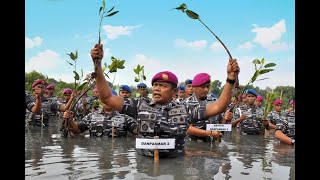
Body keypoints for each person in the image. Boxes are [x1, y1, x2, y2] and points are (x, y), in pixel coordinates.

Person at [90, 43, 240, 157]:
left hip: (175, 168)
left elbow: (219, 106)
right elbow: (107, 98)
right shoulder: (139, 105)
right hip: (144, 169)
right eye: (155, 85)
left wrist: (230, 79)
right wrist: (97, 65)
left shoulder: (185, 110)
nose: (156, 88)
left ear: (174, 91)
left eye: (162, 85)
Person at [63, 89, 138, 137]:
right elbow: (76, 130)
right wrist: (69, 120)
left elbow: (137, 131)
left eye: (110, 99)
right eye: (105, 98)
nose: (107, 101)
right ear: (101, 100)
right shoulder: (91, 117)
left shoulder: (125, 118)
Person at [184, 73, 233, 142]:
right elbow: (185, 128)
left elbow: (221, 124)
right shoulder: (186, 104)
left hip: (214, 144)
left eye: (208, 86)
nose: (206, 89)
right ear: (194, 87)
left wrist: (226, 119)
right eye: (203, 87)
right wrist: (209, 133)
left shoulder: (214, 101)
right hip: (194, 146)